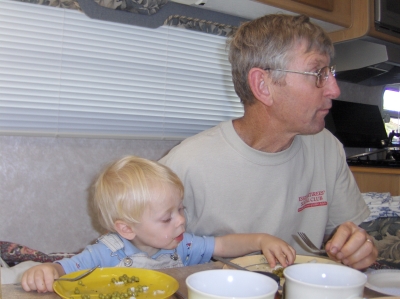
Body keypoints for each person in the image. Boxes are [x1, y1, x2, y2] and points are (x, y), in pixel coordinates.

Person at [159, 14, 378, 270]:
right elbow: (139, 256)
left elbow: (346, 236)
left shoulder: (326, 147)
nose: (334, 90)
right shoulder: (186, 165)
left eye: (330, 72)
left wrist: (358, 248)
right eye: (318, 72)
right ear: (263, 86)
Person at [21, 155, 295, 293]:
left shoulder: (183, 244)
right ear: (127, 228)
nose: (181, 221)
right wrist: (47, 269)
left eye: (181, 209)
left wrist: (260, 240)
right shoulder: (108, 252)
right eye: (167, 217)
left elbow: (222, 244)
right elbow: (65, 268)